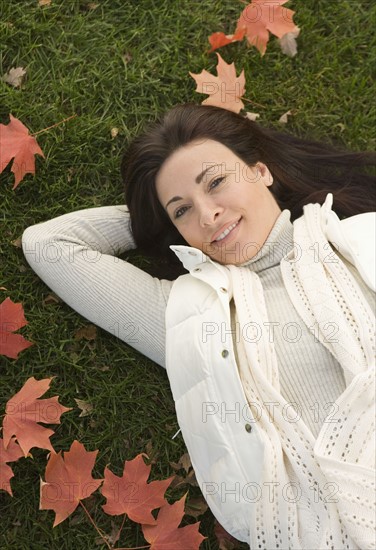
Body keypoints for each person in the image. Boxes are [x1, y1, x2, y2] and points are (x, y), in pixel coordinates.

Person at [22, 104, 375, 549]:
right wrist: (151, 221)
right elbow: (50, 244)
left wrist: (176, 208)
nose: (207, 215)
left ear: (262, 170)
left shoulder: (360, 243)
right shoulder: (190, 316)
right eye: (183, 210)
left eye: (216, 182)